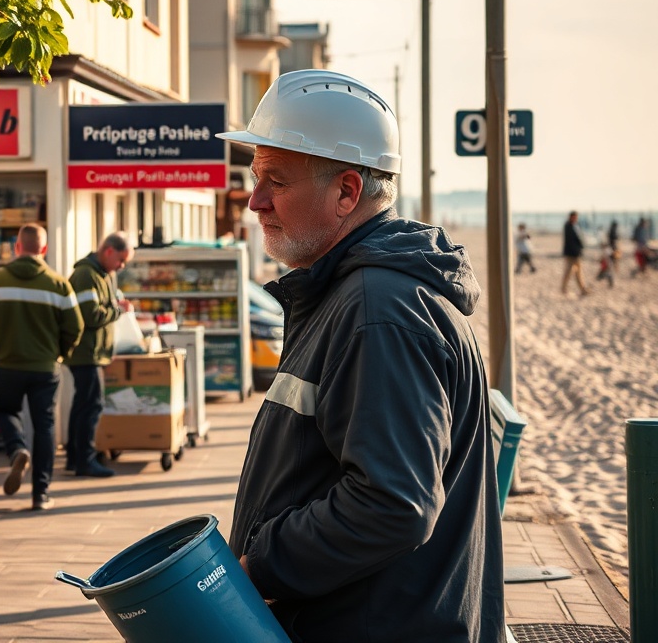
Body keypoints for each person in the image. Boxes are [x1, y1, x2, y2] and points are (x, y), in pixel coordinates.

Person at [216, 69, 504, 642]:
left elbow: (392, 503)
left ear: (347, 192)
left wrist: (260, 566)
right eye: (255, 177)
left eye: (276, 180)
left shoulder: (378, 310)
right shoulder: (359, 295)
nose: (254, 201)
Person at [0, 224, 84, 511]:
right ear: (44, 249)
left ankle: (17, 449)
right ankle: (40, 494)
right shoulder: (59, 284)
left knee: (5, 410)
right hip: (45, 368)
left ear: (17, 247)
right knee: (45, 425)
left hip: (7, 365)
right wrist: (59, 353)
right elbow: (75, 327)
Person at [64, 232, 135, 478]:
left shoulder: (102, 274)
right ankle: (84, 460)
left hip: (93, 351)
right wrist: (118, 310)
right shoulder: (86, 275)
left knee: (83, 405)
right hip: (86, 352)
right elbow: (91, 315)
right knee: (91, 406)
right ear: (108, 251)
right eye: (121, 260)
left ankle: (75, 459)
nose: (122, 266)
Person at [560, 211, 590, 295]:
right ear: (571, 217)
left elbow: (579, 238)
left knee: (577, 272)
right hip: (571, 254)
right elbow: (570, 241)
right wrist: (577, 251)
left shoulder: (575, 225)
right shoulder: (568, 226)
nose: (576, 218)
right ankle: (565, 288)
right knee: (570, 272)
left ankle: (581, 289)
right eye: (575, 217)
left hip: (575, 253)